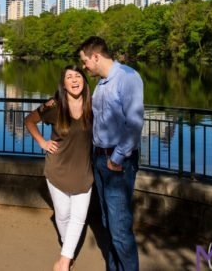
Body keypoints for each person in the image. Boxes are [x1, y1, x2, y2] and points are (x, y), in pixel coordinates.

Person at [78, 36, 144, 271]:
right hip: (100, 158)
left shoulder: (127, 77)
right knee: (108, 222)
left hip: (117, 162)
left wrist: (116, 159)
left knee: (119, 228)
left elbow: (134, 124)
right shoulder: (102, 84)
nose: (84, 66)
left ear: (96, 57)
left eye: (85, 61)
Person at [24, 65, 93, 271]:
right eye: (69, 77)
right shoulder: (54, 105)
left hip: (83, 173)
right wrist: (42, 142)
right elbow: (30, 120)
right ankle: (68, 250)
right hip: (57, 171)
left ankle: (63, 263)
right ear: (63, 84)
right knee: (62, 216)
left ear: (84, 81)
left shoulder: (93, 105)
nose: (74, 80)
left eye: (78, 76)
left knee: (78, 218)